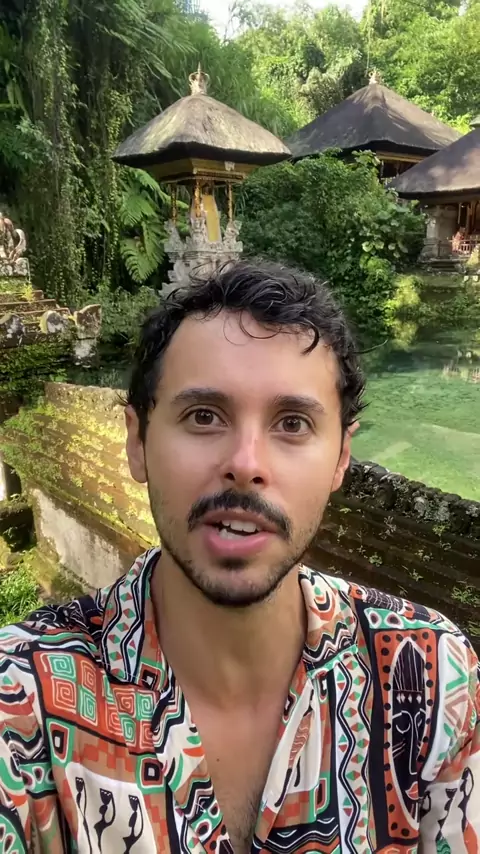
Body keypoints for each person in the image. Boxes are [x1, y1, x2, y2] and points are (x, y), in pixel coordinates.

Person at [0, 261, 478, 853]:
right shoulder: (21, 702)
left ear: (340, 459)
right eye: (204, 416)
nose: (246, 463)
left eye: (292, 423)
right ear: (137, 441)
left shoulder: (433, 680)